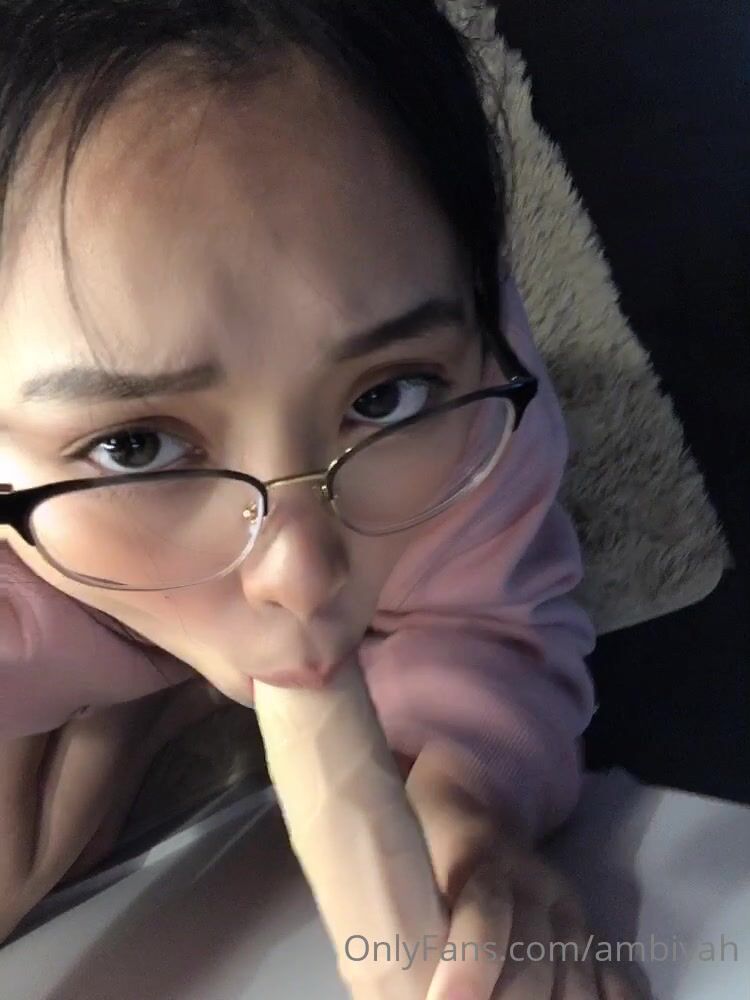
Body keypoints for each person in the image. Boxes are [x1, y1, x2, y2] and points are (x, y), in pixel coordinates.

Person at [0, 1, 644, 996]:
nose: (302, 571)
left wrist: (466, 799)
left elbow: (494, 618)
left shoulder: (463, 379)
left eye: (380, 398)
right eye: (136, 446)